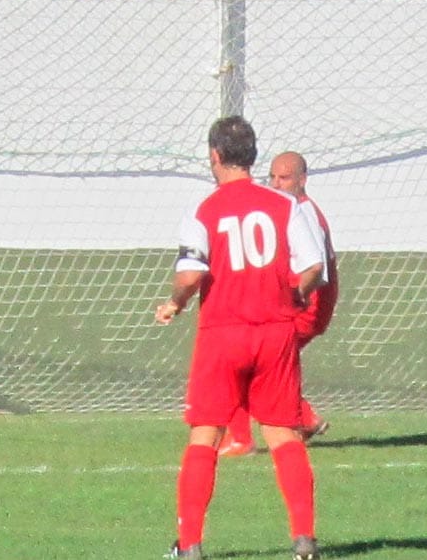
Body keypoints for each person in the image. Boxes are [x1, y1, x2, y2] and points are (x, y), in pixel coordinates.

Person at [155, 117, 326, 560]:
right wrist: (293, 296)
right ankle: (304, 541)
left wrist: (175, 301)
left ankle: (189, 545)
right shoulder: (284, 204)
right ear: (252, 155)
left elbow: (191, 274)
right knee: (283, 436)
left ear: (214, 156)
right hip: (274, 333)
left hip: (222, 334)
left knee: (204, 437)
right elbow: (313, 268)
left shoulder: (204, 210)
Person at [218, 151, 338, 457]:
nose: (276, 183)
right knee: (255, 360)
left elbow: (316, 268)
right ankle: (303, 418)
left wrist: (292, 299)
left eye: (284, 178)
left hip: (305, 308)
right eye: (272, 177)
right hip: (300, 306)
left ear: (302, 179)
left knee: (242, 357)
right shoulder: (289, 208)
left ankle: (243, 439)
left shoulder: (302, 211)